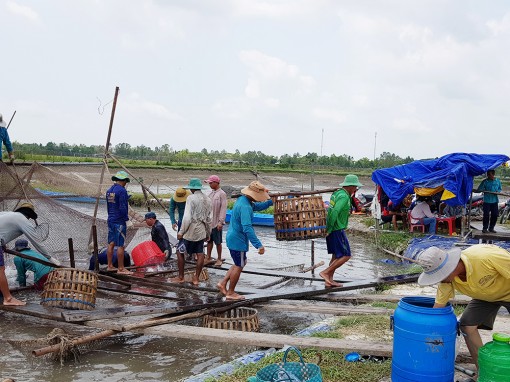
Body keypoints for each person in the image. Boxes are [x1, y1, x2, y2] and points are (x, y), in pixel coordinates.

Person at [417, 244, 510, 370]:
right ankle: (483, 371)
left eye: (439, 275)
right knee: (467, 325)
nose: (438, 279)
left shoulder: (486, 257)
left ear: (449, 267)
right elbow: (437, 309)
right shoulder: (446, 281)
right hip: (486, 297)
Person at [217, 181, 272, 300]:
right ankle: (231, 293)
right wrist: (259, 245)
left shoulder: (243, 200)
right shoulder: (245, 206)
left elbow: (257, 207)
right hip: (238, 240)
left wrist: (270, 202)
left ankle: (222, 282)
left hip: (233, 237)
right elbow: (247, 228)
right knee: (238, 266)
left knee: (241, 262)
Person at [0, 202, 55, 306]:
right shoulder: (22, 219)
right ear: (29, 216)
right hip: (49, 273)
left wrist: (2, 243)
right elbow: (37, 241)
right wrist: (49, 257)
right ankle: (8, 298)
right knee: (0, 270)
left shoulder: (6, 214)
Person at [319, 174, 362, 288]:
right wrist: (330, 228)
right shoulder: (343, 196)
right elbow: (334, 212)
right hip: (337, 229)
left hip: (332, 228)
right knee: (346, 255)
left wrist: (328, 228)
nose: (356, 189)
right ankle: (325, 273)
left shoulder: (337, 193)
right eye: (355, 187)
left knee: (335, 256)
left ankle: (329, 281)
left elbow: (331, 210)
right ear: (351, 186)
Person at [173, 178, 212, 285]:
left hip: (191, 231)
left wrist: (181, 232)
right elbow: (209, 219)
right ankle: (196, 278)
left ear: (192, 189)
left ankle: (181, 277)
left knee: (180, 252)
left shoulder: (191, 198)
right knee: (200, 254)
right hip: (202, 230)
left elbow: (187, 218)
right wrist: (208, 233)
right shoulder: (208, 199)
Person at [106, 170, 132, 274]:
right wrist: (127, 220)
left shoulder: (110, 190)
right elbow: (122, 207)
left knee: (111, 243)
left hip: (111, 220)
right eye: (125, 181)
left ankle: (109, 265)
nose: (126, 183)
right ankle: (121, 268)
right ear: (123, 180)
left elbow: (109, 206)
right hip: (119, 221)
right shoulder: (122, 191)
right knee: (121, 244)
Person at [205, 175, 227, 266]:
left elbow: (223, 208)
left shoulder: (222, 194)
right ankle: (208, 257)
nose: (209, 184)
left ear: (216, 183)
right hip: (210, 222)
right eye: (209, 183)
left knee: (218, 242)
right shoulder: (211, 193)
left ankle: (219, 258)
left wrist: (220, 222)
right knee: (209, 241)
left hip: (217, 222)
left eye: (211, 183)